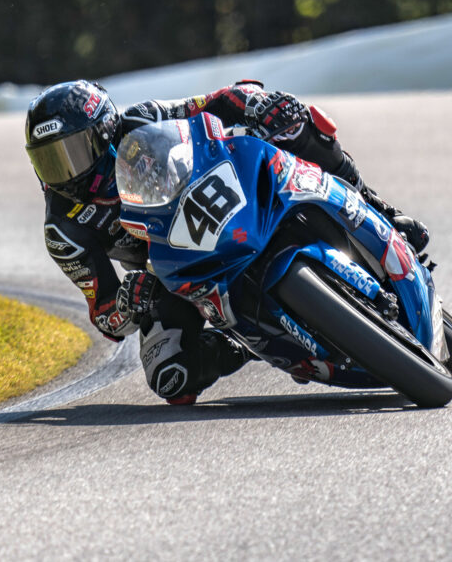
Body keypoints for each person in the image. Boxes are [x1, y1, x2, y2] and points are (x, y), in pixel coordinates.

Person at [24, 79, 429, 404]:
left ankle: (379, 207)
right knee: (170, 376)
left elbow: (215, 101)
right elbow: (105, 316)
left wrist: (256, 104)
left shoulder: (143, 119)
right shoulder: (64, 231)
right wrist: (130, 301)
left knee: (296, 124)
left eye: (71, 153)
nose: (65, 174)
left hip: (225, 199)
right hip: (173, 272)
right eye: (50, 162)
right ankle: (242, 343)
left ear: (105, 133)